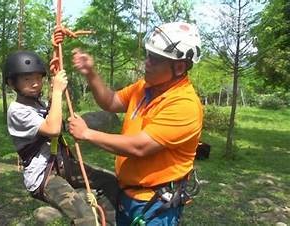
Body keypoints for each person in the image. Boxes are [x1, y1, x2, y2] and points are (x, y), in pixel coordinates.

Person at [68, 22, 203, 225]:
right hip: (128, 195)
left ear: (179, 67)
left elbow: (140, 146)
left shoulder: (185, 104)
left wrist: (87, 134)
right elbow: (111, 101)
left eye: (155, 60)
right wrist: (90, 73)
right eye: (148, 55)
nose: (146, 63)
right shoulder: (145, 87)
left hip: (155, 204)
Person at [4, 51, 117, 226]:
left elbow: (56, 121)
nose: (35, 83)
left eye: (38, 78)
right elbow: (53, 128)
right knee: (85, 218)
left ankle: (106, 222)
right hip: (44, 177)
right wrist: (57, 91)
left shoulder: (37, 105)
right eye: (27, 79)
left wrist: (53, 95)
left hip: (63, 165)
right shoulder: (17, 110)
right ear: (12, 83)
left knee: (111, 182)